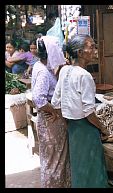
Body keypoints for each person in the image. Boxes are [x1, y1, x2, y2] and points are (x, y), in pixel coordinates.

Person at [51, 34, 110, 188]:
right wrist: (103, 129)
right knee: (93, 170)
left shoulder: (64, 70)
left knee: (79, 169)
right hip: (87, 129)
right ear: (80, 53)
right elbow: (89, 112)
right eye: (91, 47)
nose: (95, 50)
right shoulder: (85, 76)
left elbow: (56, 103)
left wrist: (66, 121)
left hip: (73, 128)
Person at [31, 37, 70, 188]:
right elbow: (38, 99)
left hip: (48, 120)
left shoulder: (40, 66)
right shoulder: (43, 72)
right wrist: (53, 111)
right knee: (55, 159)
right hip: (51, 121)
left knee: (53, 157)